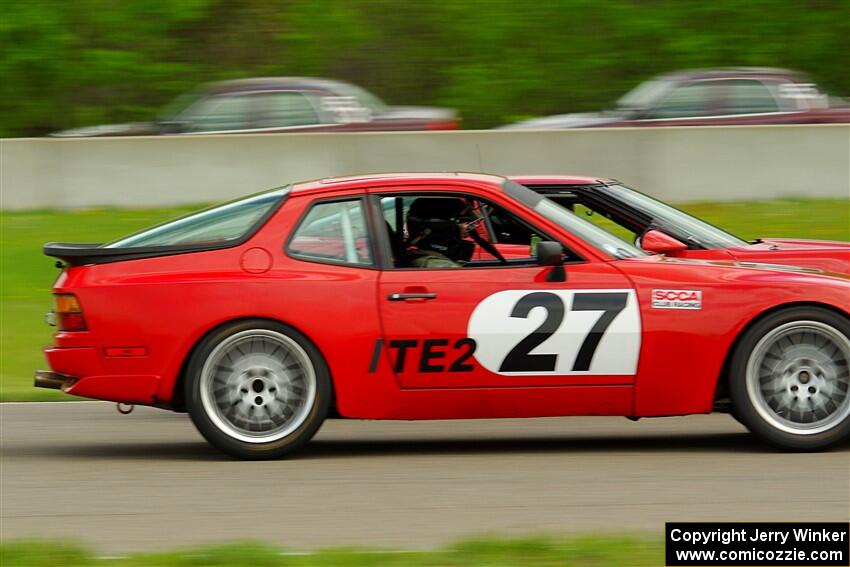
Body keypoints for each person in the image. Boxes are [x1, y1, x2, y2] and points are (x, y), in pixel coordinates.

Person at [402, 198, 475, 268]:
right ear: (439, 228)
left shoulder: (425, 258)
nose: (468, 230)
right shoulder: (445, 267)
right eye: (462, 223)